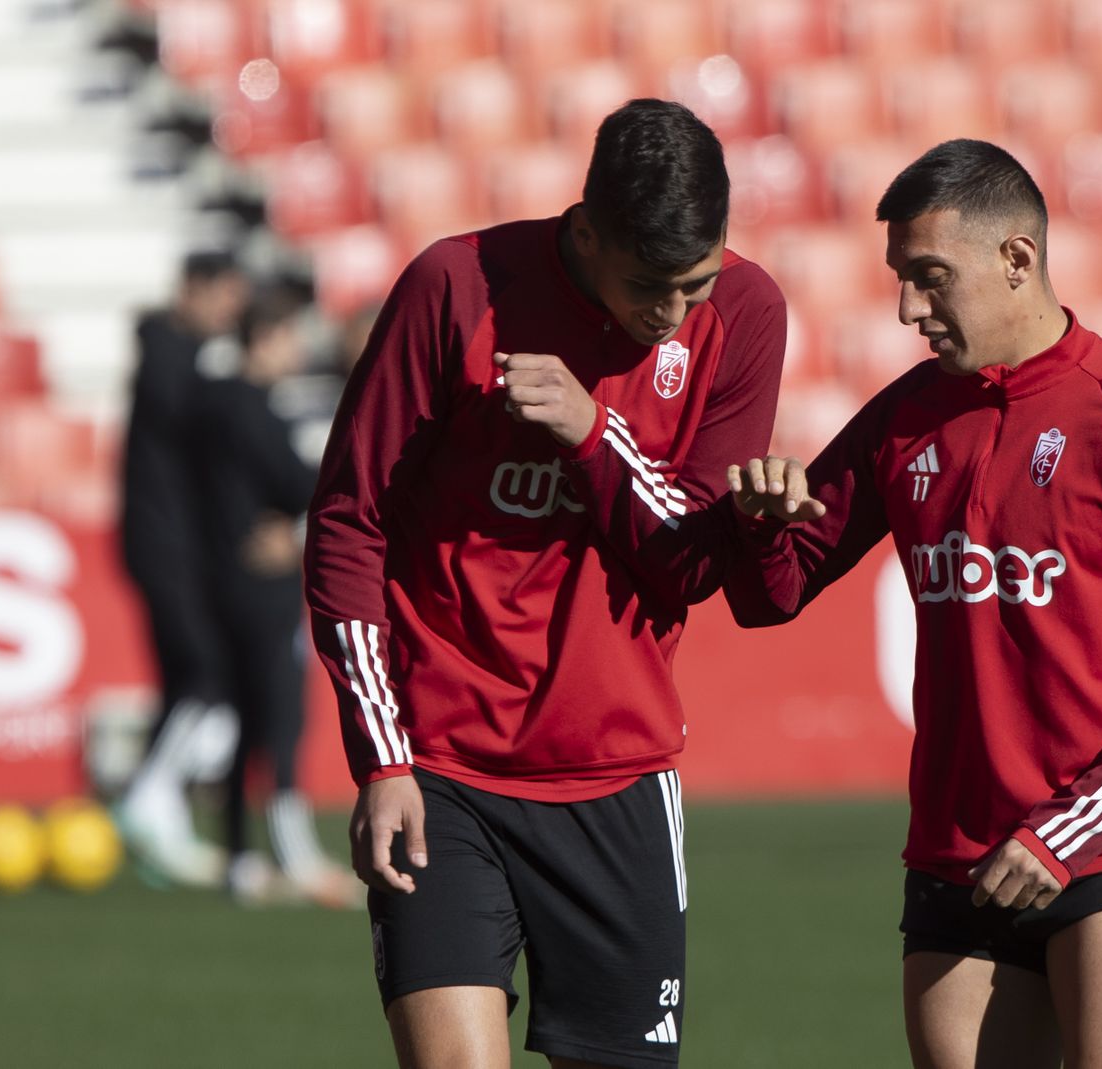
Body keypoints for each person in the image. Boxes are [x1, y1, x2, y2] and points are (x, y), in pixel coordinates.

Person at [719, 141, 1102, 1068]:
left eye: (930, 277)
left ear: (1016, 259)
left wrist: (1066, 832)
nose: (906, 309)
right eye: (899, 279)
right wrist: (763, 524)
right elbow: (775, 595)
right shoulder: (904, 418)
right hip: (955, 857)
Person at [304, 99, 786, 1068]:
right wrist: (383, 760)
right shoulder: (453, 288)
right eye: (651, 284)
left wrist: (593, 437)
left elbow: (688, 561)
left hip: (617, 776)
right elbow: (348, 522)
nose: (673, 313)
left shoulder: (746, 312)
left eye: (695, 283)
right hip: (443, 771)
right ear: (585, 231)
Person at [185, 288, 358, 906]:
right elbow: (299, 480)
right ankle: (295, 854)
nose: (298, 348)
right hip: (260, 584)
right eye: (289, 336)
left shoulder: (209, 404)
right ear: (266, 339)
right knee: (282, 718)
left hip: (221, 579)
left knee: (245, 720)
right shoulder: (248, 406)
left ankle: (239, 857)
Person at [116, 249, 248, 888]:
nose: (231, 311)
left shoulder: (181, 353)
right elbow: (188, 416)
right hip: (162, 540)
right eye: (224, 295)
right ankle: (147, 799)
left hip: (182, 541)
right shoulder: (168, 350)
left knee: (184, 677)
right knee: (204, 667)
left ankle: (160, 812)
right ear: (193, 288)